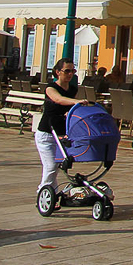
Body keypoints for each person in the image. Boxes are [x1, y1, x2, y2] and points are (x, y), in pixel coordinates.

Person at [34, 58, 86, 194]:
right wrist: (77, 102)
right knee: (51, 166)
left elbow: (69, 109)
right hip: (46, 133)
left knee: (57, 166)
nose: (70, 74)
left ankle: (52, 194)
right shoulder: (51, 88)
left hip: (61, 134)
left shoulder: (72, 89)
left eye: (73, 71)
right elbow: (58, 99)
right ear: (58, 72)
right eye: (67, 71)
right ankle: (43, 193)